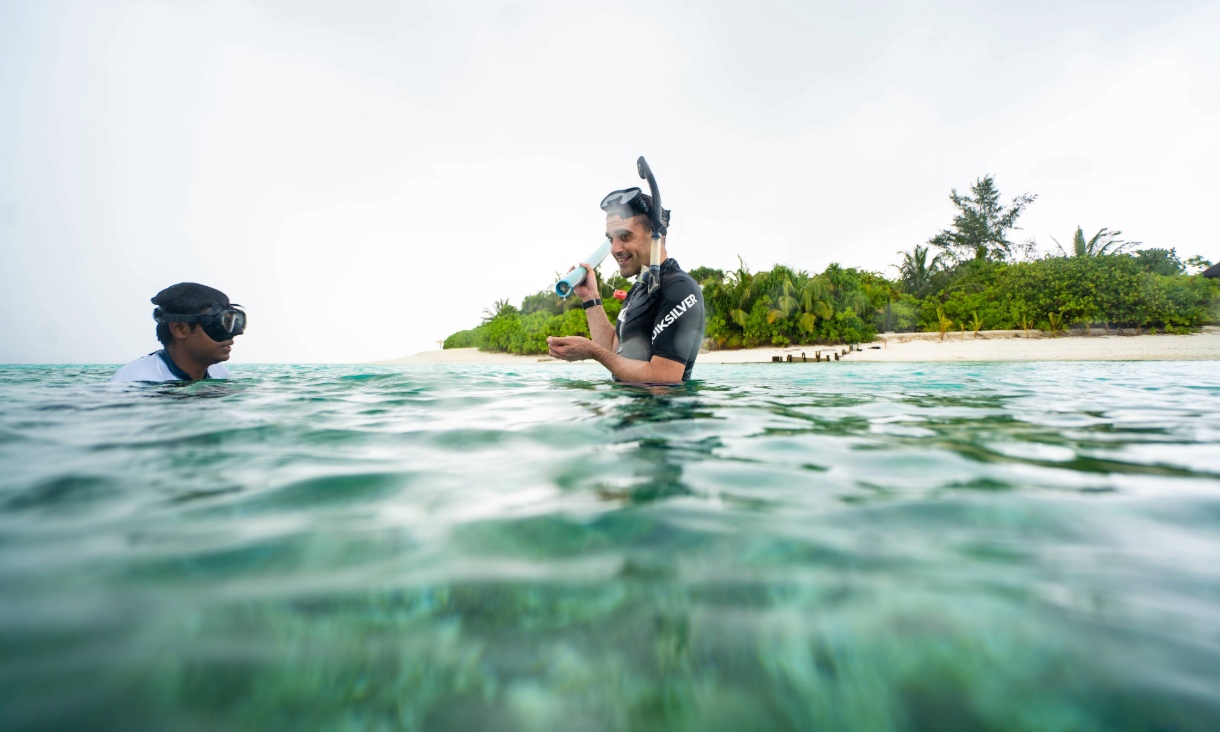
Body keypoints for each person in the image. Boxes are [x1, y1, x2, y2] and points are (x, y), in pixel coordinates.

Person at [547, 187, 705, 383]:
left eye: (625, 236)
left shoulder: (678, 288)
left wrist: (591, 351)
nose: (615, 249)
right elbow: (615, 350)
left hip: (661, 413)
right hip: (630, 409)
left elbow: (665, 378)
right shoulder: (640, 287)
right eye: (611, 239)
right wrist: (590, 297)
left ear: (657, 236)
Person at [109, 282, 246, 383]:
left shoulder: (219, 372)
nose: (235, 333)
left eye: (233, 321)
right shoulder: (136, 383)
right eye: (219, 324)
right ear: (180, 329)